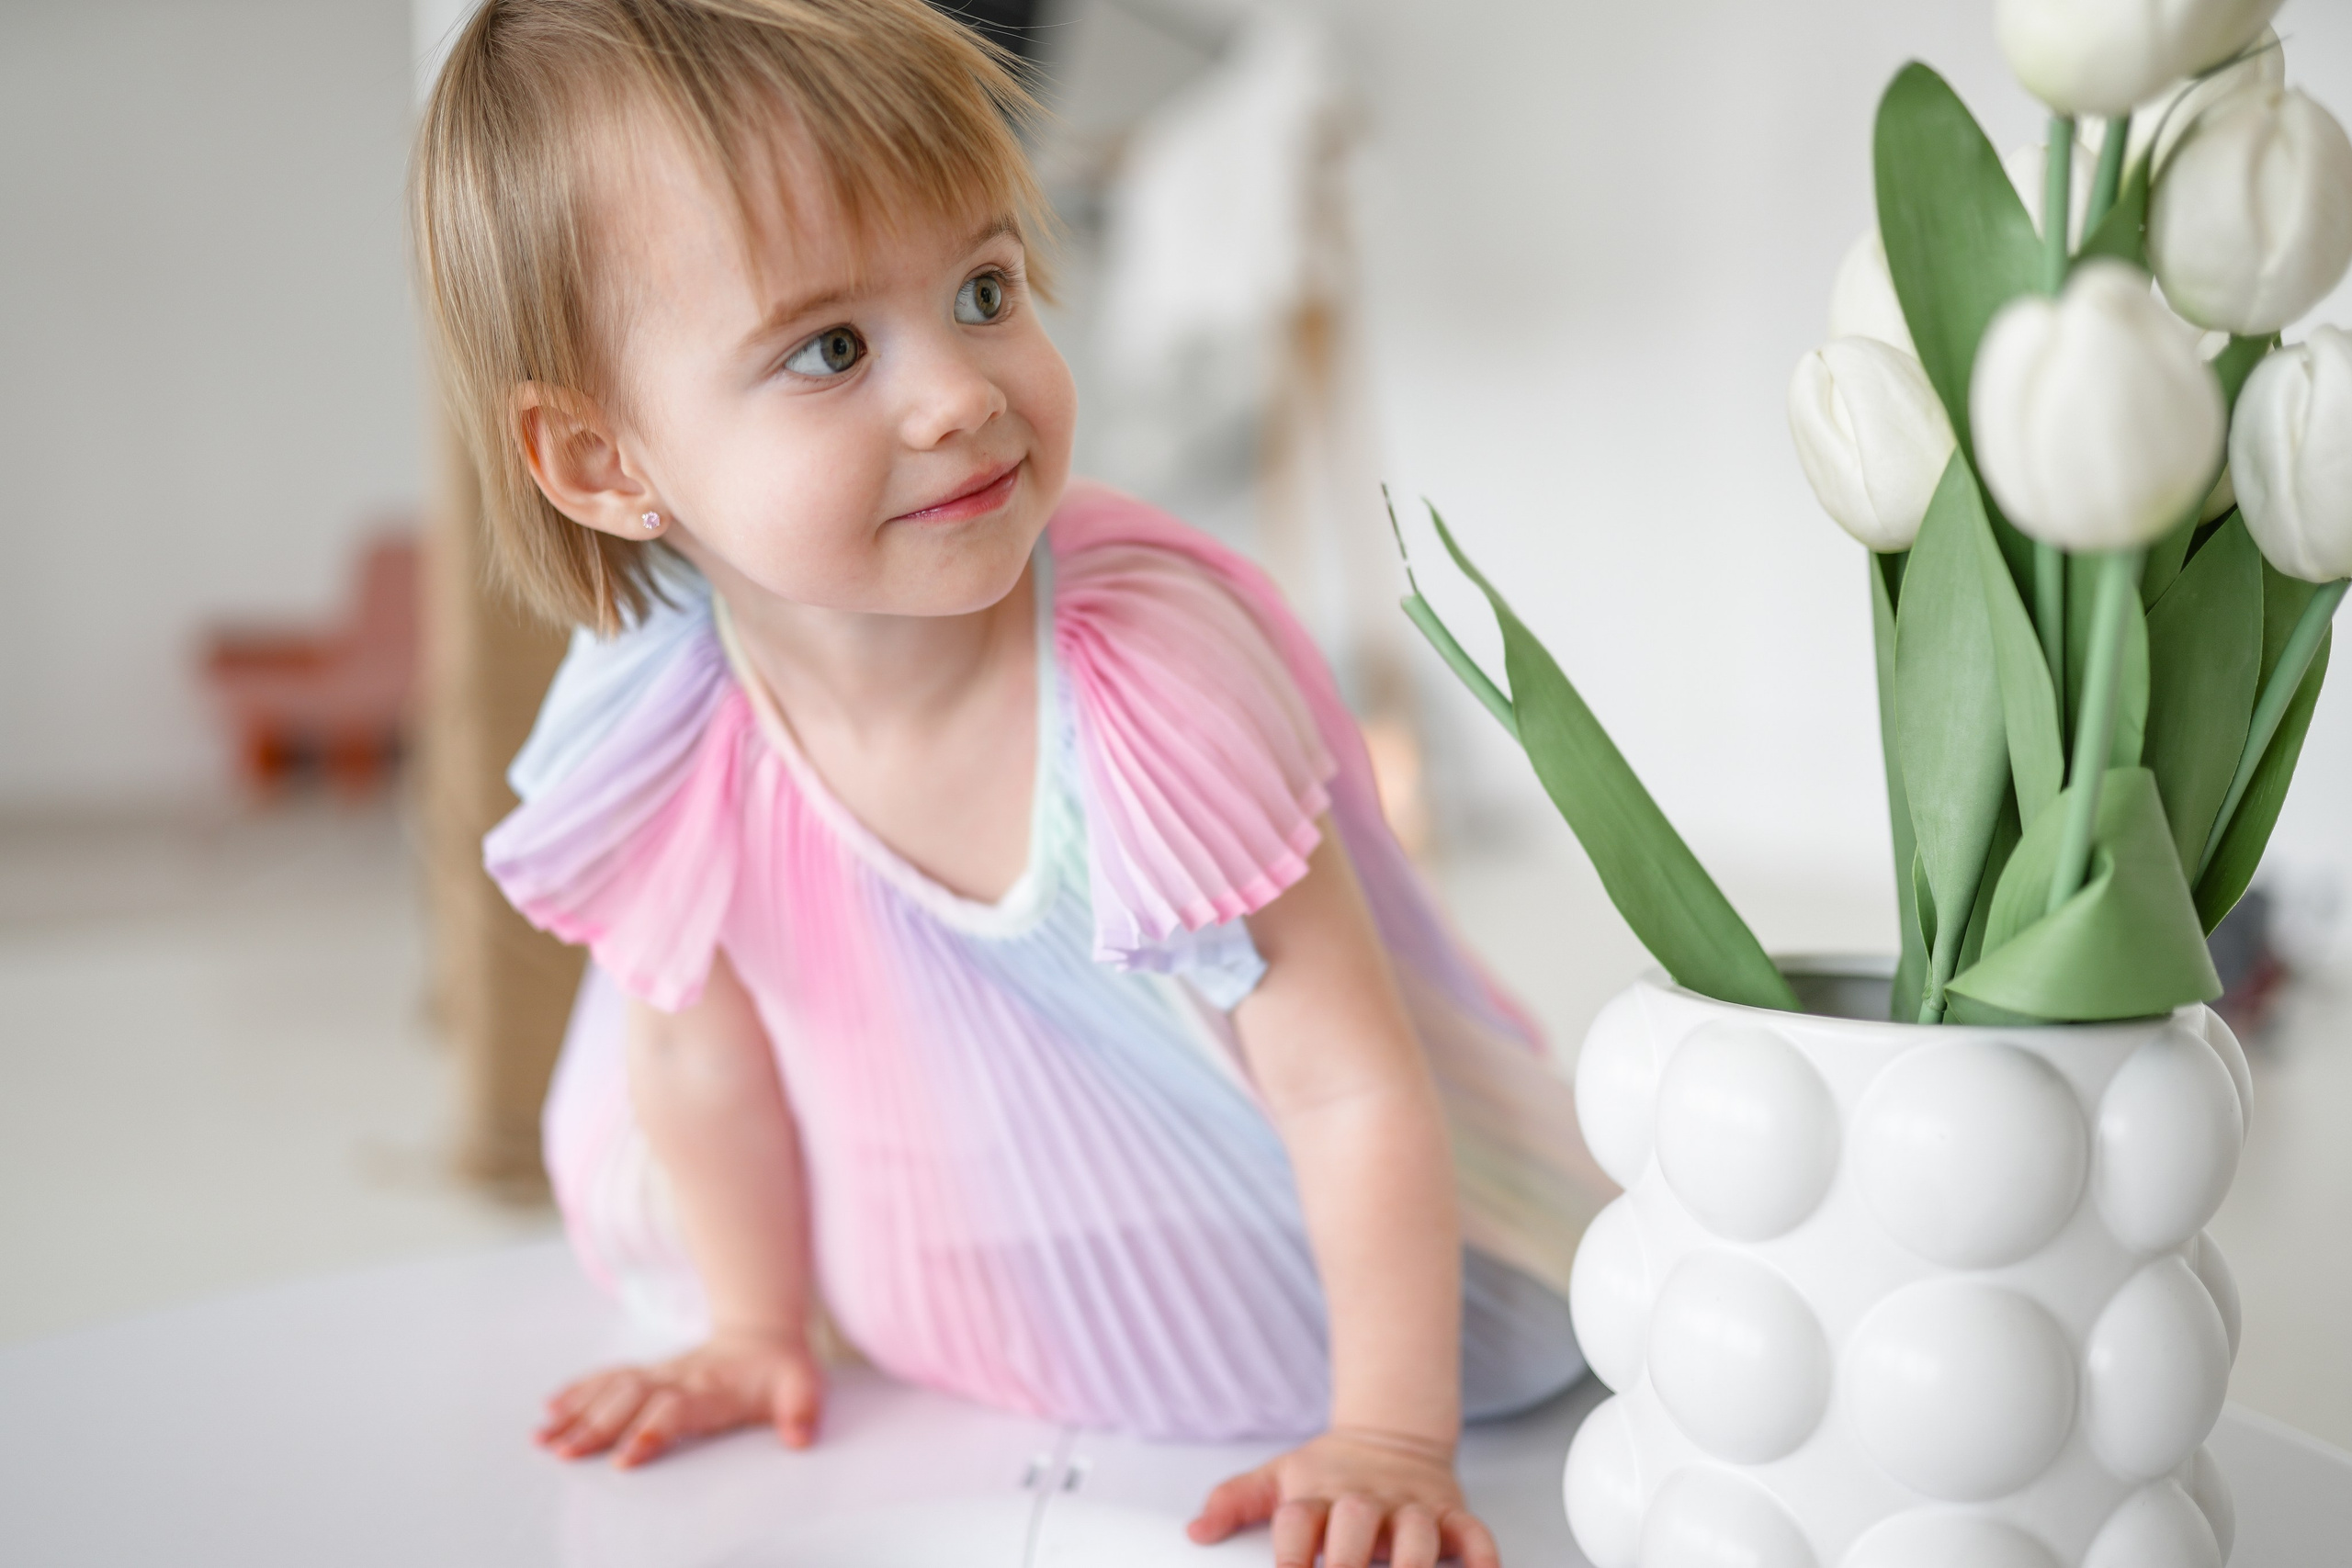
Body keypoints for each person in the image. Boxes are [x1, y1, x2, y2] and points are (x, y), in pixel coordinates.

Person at [413, 5, 1607, 1564]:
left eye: (984, 290)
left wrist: (1387, 1432)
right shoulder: (665, 700)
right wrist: (755, 1324)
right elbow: (699, 1058)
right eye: (831, 348)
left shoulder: (1144, 670)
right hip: (950, 1279)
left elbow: (1342, 1079)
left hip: (1328, 1280)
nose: (964, 393)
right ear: (602, 463)